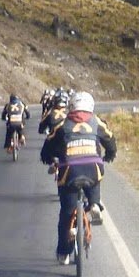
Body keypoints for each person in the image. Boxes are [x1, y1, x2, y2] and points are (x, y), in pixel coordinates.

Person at [40, 90, 116, 264]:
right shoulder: (97, 122)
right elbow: (110, 140)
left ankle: (64, 253)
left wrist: (49, 159)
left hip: (69, 171)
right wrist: (109, 155)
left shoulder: (61, 125)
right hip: (92, 167)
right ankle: (95, 203)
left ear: (71, 106)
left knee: (66, 213)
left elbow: (47, 148)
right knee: (95, 175)